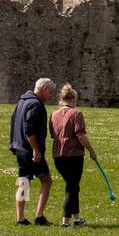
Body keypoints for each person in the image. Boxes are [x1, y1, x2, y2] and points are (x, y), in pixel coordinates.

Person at [49, 83, 99, 227]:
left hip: (58, 156)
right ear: (73, 100)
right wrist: (91, 151)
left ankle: (77, 219)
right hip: (74, 156)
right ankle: (65, 221)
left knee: (73, 185)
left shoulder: (53, 115)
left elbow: (53, 134)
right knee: (71, 187)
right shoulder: (76, 114)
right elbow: (80, 135)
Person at [9, 78, 55, 225]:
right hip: (31, 150)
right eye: (51, 92)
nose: (51, 96)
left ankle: (20, 218)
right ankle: (39, 216)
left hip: (19, 147)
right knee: (46, 181)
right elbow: (29, 130)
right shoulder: (36, 105)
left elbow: (14, 122)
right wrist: (36, 150)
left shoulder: (22, 101)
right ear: (45, 88)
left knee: (24, 182)